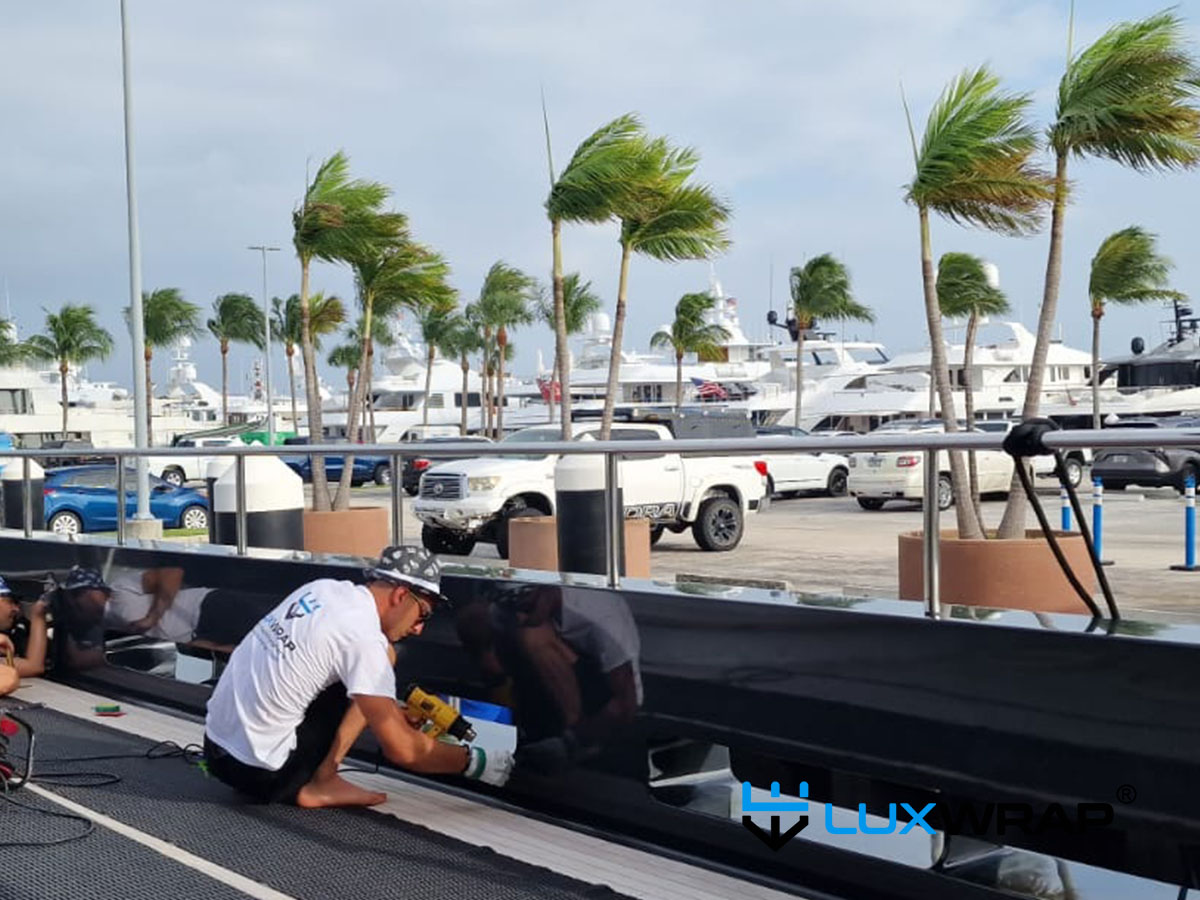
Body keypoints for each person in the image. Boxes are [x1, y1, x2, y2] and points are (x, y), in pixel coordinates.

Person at [203, 546, 513, 808]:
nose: (419, 629)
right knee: (384, 657)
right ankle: (322, 783)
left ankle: (322, 772)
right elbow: (403, 751)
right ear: (400, 595)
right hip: (262, 774)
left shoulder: (322, 588)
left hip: (215, 749)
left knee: (357, 671)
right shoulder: (363, 638)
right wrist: (476, 763)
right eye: (423, 614)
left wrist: (389, 711)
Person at [0, 575, 48, 696]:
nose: (16, 609)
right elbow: (33, 666)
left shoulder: (17, 631)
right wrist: (38, 615)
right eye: (11, 601)